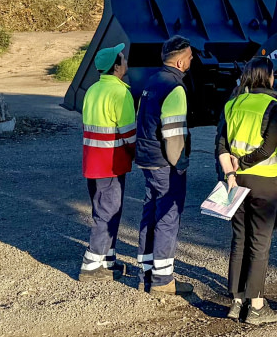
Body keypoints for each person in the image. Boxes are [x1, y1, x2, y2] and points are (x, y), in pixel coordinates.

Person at [213, 57, 277, 325]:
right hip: (264, 180)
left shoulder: (232, 104)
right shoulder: (273, 105)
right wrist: (243, 163)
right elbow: (268, 148)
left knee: (239, 239)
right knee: (260, 243)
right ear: (267, 78)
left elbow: (221, 142)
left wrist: (232, 171)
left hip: (235, 182)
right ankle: (256, 306)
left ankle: (236, 301)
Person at [135, 35, 195, 295]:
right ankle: (162, 280)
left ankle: (146, 273)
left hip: (147, 158)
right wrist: (179, 164)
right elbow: (173, 135)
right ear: (181, 61)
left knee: (151, 211)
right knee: (168, 216)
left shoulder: (153, 81)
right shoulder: (175, 87)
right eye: (191, 57)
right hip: (164, 162)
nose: (192, 61)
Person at [78, 43, 137, 281]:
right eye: (122, 59)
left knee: (104, 208)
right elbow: (129, 134)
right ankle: (91, 265)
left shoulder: (92, 90)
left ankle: (107, 258)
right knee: (108, 211)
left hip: (93, 161)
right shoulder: (121, 93)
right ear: (116, 66)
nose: (125, 62)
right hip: (110, 163)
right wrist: (139, 155)